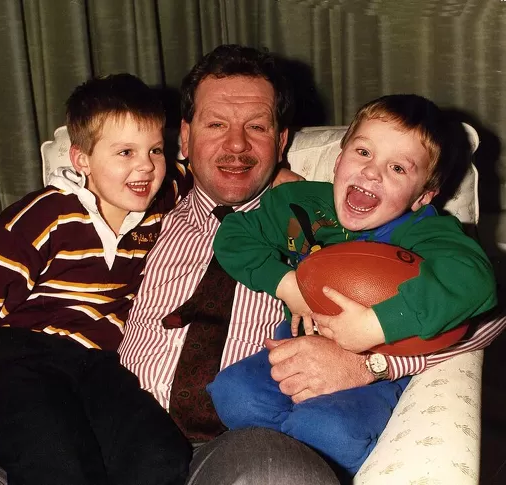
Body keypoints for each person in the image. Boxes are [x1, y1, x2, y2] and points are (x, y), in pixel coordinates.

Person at [0, 44, 506, 485]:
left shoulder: (330, 225)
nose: (236, 145)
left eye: (257, 127)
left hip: (230, 452)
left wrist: (371, 361)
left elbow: (477, 319)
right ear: (184, 137)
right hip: (82, 427)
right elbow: (44, 261)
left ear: (282, 138)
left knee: (278, 473)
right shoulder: (142, 205)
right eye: (216, 125)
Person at [0, 73, 194, 485]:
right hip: (23, 360)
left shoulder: (157, 204)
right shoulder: (43, 216)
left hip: (98, 365)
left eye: (155, 149)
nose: (145, 165)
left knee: (161, 456)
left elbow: (196, 175)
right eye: (125, 152)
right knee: (58, 463)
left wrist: (278, 175)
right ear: (81, 159)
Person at [207, 94, 497, 477]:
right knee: (233, 394)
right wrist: (287, 285)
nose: (372, 172)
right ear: (339, 158)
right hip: (298, 339)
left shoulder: (427, 232)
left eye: (397, 168)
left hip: (378, 357)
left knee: (327, 429)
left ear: (422, 196)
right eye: (363, 152)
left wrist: (376, 326)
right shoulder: (300, 203)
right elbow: (234, 234)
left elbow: (474, 280)